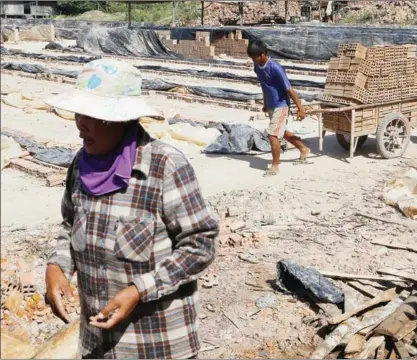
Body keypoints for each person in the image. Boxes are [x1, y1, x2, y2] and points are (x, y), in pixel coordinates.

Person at [44, 59, 219, 359]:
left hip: (156, 344)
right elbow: (68, 225)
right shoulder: (80, 167)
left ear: (120, 120)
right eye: (78, 113)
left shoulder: (165, 168)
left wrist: (140, 290)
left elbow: (201, 244)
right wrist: (57, 266)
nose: (80, 125)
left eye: (91, 115)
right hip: (97, 343)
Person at [247, 39, 311, 177]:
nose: (253, 60)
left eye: (255, 57)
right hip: (271, 105)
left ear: (263, 54)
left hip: (281, 105)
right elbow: (264, 86)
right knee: (281, 131)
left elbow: (289, 89)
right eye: (251, 57)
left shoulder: (275, 68)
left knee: (273, 134)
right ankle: (303, 149)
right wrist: (265, 103)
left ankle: (275, 166)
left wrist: (301, 108)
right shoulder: (257, 67)